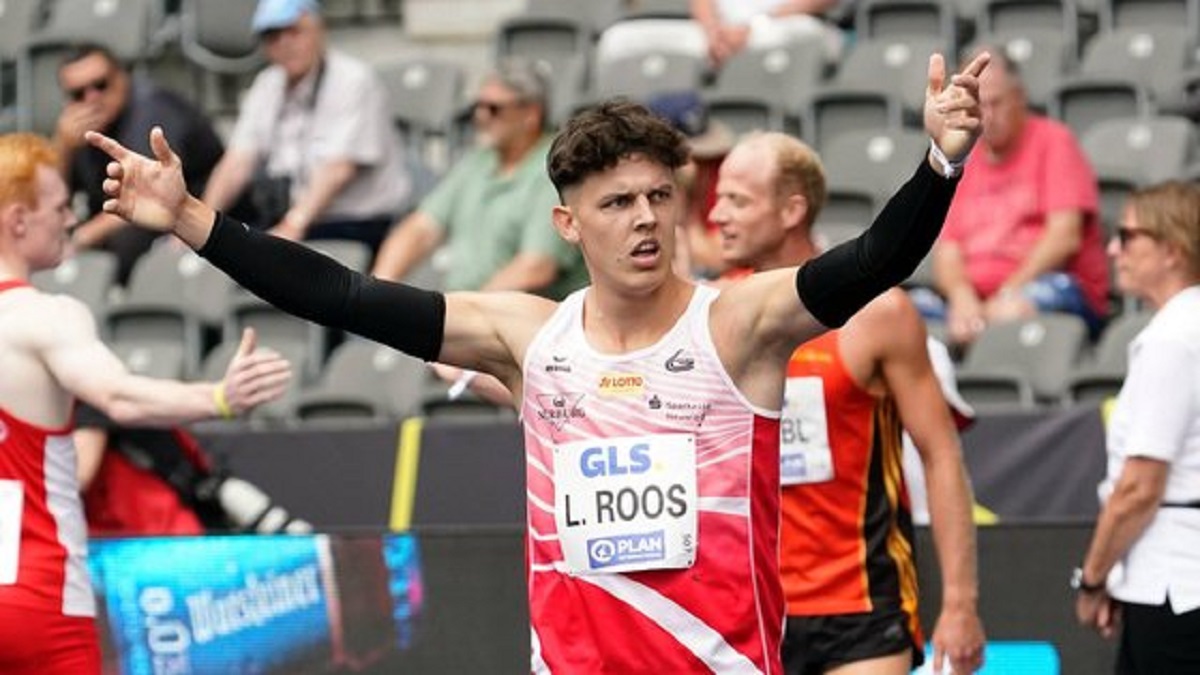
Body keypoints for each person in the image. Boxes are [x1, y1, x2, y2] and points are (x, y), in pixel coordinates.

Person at [88, 49, 990, 673]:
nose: (643, 218)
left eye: (656, 197)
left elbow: (877, 256)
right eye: (616, 203)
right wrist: (196, 223)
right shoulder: (530, 337)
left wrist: (940, 163)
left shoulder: (740, 323)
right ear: (568, 224)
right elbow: (343, 295)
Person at [0, 132, 291, 674]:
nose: (70, 222)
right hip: (38, 596)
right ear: (19, 221)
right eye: (61, 208)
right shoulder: (45, 316)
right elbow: (119, 397)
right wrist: (219, 397)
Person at [712, 131, 985, 674]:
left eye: (737, 200)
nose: (717, 215)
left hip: (860, 605)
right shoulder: (714, 310)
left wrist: (960, 601)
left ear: (793, 209)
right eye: (717, 198)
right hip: (750, 604)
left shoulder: (879, 315)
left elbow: (940, 453)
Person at [1074, 181, 1200, 674]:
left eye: (1126, 237)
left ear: (1171, 249)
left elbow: (1138, 489)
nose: (1112, 249)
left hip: (1176, 586)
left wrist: (1093, 579)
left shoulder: (1173, 337)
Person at [922, 49, 1108, 346]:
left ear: (1019, 97)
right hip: (978, 300)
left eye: (996, 103)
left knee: (1011, 313)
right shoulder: (963, 156)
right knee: (897, 312)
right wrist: (962, 299)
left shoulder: (1053, 141)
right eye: (978, 105)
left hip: (1047, 286)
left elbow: (1064, 237)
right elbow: (948, 251)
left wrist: (1008, 292)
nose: (987, 116)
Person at [200, 0, 410, 253]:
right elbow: (236, 163)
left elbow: (339, 170)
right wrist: (200, 220)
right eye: (273, 36)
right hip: (293, 218)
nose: (285, 43)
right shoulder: (267, 84)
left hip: (355, 222)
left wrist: (293, 224)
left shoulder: (353, 80)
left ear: (319, 29)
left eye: (294, 31)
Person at [371, 58, 587, 299]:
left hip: (521, 323)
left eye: (494, 109)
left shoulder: (555, 171)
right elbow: (421, 228)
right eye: (478, 107)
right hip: (466, 316)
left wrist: (465, 312)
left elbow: (536, 267)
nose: (481, 117)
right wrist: (379, 289)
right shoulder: (478, 161)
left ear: (531, 114)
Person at [53, 42, 225, 285]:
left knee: (127, 238)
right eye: (78, 94)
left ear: (122, 76)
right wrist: (63, 147)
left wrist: (83, 237)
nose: (92, 98)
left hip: (203, 226)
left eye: (101, 85)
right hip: (137, 224)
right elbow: (53, 198)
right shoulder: (77, 130)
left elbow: (147, 196)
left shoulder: (155, 111)